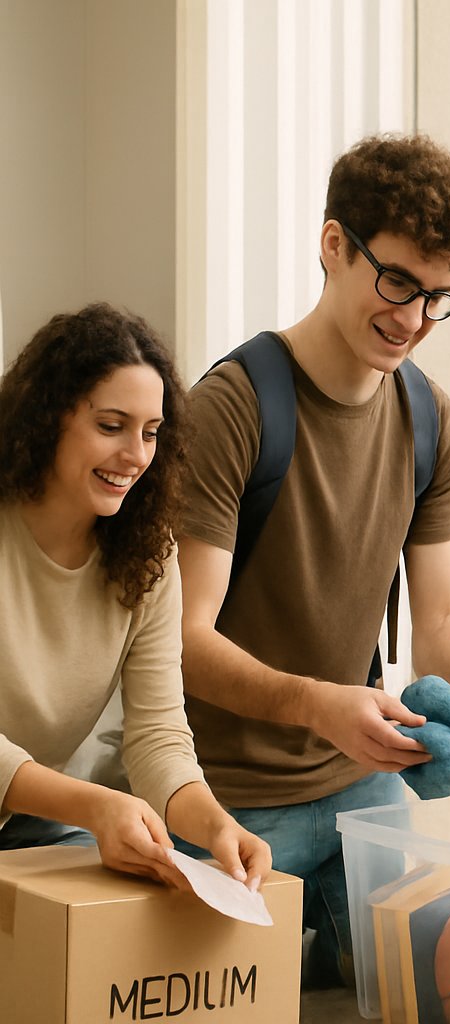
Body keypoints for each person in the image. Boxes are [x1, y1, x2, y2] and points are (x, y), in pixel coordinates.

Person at [176, 134, 450, 987]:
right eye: (396, 282)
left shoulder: (435, 424)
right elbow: (182, 637)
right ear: (333, 246)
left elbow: (441, 619)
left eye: (438, 298)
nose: (413, 320)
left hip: (361, 791)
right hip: (226, 797)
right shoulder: (234, 407)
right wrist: (317, 704)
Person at [0, 304, 271, 890]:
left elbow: (158, 735)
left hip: (27, 822)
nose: (136, 456)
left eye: (151, 433)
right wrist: (95, 805)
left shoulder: (148, 557)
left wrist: (215, 824)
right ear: (46, 417)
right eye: (110, 426)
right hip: (47, 810)